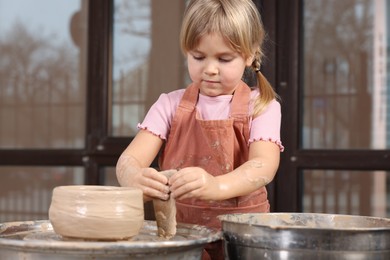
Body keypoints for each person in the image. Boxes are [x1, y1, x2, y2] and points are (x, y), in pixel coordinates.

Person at [116, 0, 283, 259]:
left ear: (249, 55)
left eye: (224, 58)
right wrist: (133, 178)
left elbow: (263, 166)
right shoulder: (169, 105)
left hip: (243, 240)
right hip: (184, 238)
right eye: (198, 57)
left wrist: (214, 186)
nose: (210, 69)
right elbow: (130, 160)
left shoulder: (261, 105)